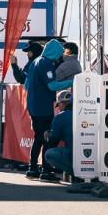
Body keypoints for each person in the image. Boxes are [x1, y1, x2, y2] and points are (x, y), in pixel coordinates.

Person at [21, 39, 66, 179]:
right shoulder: (46, 63)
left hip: (33, 106)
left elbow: (26, 84)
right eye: (60, 53)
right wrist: (74, 81)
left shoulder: (35, 62)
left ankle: (32, 168)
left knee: (38, 137)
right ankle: (46, 171)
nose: (60, 57)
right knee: (46, 138)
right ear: (55, 52)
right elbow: (52, 86)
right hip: (43, 107)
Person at [40, 90, 75, 182]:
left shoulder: (60, 116)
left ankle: (73, 173)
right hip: (92, 157)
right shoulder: (86, 113)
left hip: (74, 156)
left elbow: (52, 141)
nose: (58, 108)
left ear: (63, 103)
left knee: (49, 153)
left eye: (58, 105)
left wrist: (48, 135)